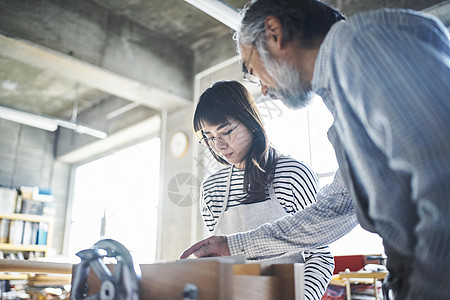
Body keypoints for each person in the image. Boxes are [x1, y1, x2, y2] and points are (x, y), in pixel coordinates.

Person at [180, 1, 450, 299]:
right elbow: (334, 211)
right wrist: (234, 245)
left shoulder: (359, 46)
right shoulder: (345, 100)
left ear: (274, 33)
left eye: (253, 69)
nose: (265, 90)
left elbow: (444, 187)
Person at [193, 80, 334, 300]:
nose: (218, 146)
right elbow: (219, 264)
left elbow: (320, 257)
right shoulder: (212, 189)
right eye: (209, 137)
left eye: (226, 132)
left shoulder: (292, 174)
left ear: (250, 121)